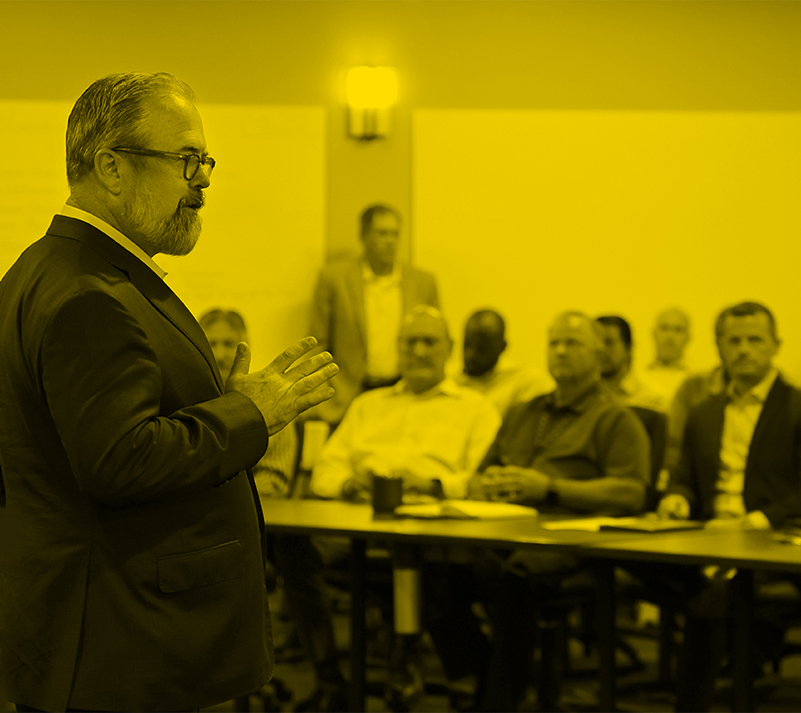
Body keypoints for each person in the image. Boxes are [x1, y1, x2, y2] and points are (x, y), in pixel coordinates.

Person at [0, 72, 338, 713]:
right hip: (121, 643)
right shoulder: (89, 294)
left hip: (104, 633)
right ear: (111, 167)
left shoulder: (51, 270)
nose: (204, 179)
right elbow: (118, 460)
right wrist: (249, 415)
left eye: (205, 159)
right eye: (186, 160)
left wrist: (221, 409)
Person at [281, 306, 501, 711]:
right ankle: (329, 675)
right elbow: (325, 472)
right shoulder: (369, 404)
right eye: (409, 342)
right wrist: (349, 483)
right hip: (358, 525)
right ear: (397, 348)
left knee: (413, 554)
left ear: (449, 348)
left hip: (433, 533)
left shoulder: (476, 409)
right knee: (288, 548)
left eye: (429, 342)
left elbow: (480, 481)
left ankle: (408, 665)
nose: (418, 351)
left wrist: (431, 486)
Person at [471, 311, 651, 711]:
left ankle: (500, 701)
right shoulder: (524, 411)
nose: (561, 351)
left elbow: (632, 492)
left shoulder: (615, 417)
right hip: (504, 526)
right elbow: (480, 474)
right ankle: (485, 674)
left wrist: (551, 488)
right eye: (554, 343)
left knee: (515, 575)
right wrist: (487, 484)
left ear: (599, 355)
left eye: (573, 343)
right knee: (439, 566)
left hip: (572, 535)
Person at [651, 301, 801, 711]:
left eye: (755, 340)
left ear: (776, 346)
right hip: (706, 537)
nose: (744, 349)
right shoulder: (705, 412)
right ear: (719, 346)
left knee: (715, 598)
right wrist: (678, 498)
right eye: (733, 340)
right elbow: (684, 476)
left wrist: (759, 520)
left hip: (770, 539)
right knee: (632, 563)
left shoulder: (796, 408)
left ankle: (702, 701)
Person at [308, 204, 440, 425]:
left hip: (405, 393)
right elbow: (317, 343)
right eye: (382, 233)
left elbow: (436, 341)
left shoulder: (423, 283)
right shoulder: (334, 280)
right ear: (364, 235)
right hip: (348, 396)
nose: (390, 240)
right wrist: (326, 392)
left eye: (395, 234)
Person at [200, 308, 298, 499]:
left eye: (229, 344)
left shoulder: (272, 399)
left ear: (246, 347)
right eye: (211, 344)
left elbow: (275, 481)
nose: (219, 355)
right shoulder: (185, 398)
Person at [455, 308, 551, 417]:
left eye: (482, 349)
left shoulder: (524, 383)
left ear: (503, 347)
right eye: (467, 344)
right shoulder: (449, 377)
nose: (471, 354)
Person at [596, 314, 669, 412]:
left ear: (628, 348)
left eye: (609, 342)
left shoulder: (652, 398)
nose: (602, 349)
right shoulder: (582, 395)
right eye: (596, 342)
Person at [644, 307, 692, 402]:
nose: (670, 336)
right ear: (654, 333)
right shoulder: (636, 374)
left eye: (678, 330)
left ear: (688, 337)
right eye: (664, 328)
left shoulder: (697, 380)